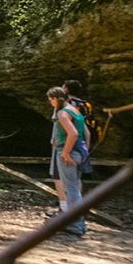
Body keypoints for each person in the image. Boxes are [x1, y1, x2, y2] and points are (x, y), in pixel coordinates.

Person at [47, 86, 88, 236]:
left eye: (50, 99)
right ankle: (80, 223)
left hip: (66, 152)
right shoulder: (74, 110)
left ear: (55, 98)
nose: (50, 102)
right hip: (78, 152)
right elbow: (86, 133)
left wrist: (65, 152)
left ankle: (75, 224)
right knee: (75, 188)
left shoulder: (62, 113)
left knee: (70, 189)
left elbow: (73, 133)